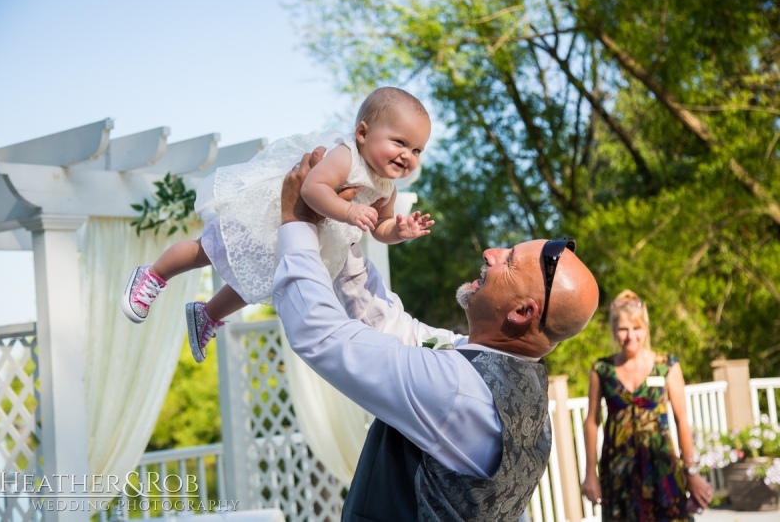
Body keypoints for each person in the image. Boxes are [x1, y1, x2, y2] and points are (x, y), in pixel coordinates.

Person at [272, 149, 600, 521]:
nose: (491, 253)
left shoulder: (458, 387)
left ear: (522, 312)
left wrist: (295, 221)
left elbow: (322, 335)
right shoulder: (513, 389)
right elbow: (391, 324)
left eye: (508, 261)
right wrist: (341, 235)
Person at [120, 87, 434, 362]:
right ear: (363, 133)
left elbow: (381, 227)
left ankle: (207, 314)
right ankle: (153, 275)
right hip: (269, 218)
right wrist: (349, 212)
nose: (408, 156)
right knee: (208, 250)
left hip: (299, 235)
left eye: (417, 150)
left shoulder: (386, 187)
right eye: (399, 143)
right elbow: (313, 189)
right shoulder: (345, 157)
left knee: (259, 282)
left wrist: (397, 232)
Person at [580, 290, 714, 521]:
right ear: (614, 330)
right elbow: (592, 422)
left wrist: (690, 471)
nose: (630, 335)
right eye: (623, 329)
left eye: (636, 328)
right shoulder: (601, 369)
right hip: (618, 472)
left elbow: (682, 421)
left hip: (662, 467)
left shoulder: (668, 366)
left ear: (646, 329)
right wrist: (590, 473)